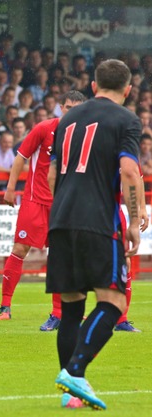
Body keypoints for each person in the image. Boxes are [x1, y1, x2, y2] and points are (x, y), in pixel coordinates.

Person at [48, 59, 142, 410]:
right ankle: (74, 371)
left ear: (92, 85)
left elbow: (54, 171)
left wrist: (57, 210)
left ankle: (73, 393)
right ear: (128, 90)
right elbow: (130, 172)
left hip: (61, 216)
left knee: (71, 308)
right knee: (114, 302)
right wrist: (133, 221)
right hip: (97, 219)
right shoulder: (126, 120)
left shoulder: (68, 119)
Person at [0, 91, 86, 327]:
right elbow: (21, 157)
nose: (72, 112)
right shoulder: (44, 128)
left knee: (61, 256)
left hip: (65, 204)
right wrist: (10, 188)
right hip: (35, 200)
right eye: (68, 107)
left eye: (77, 108)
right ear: (60, 107)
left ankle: (58, 312)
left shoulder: (86, 136)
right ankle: (5, 304)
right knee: (20, 248)